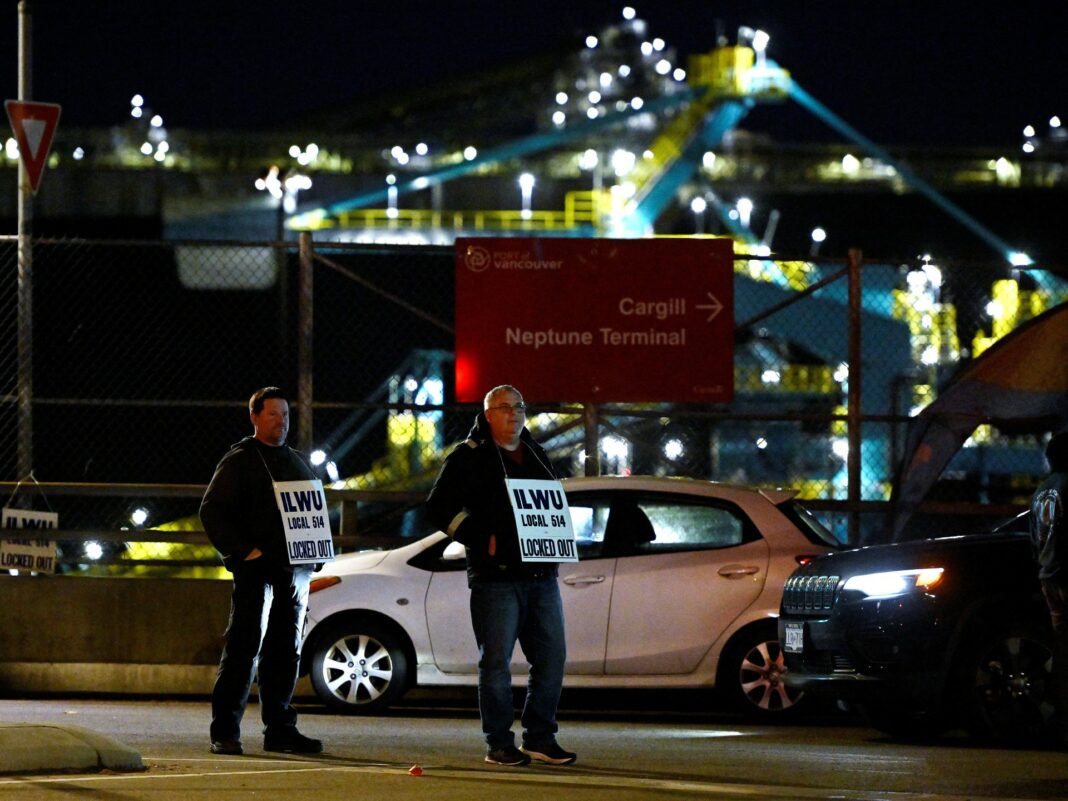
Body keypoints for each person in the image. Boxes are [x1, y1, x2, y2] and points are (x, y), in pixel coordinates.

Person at [426, 384, 576, 767]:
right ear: (488, 414)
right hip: (496, 579)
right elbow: (439, 508)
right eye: (505, 407)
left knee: (552, 658)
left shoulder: (538, 455)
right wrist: (481, 538)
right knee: (496, 663)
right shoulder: (469, 457)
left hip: (542, 576)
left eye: (520, 407)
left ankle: (540, 738)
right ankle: (498, 743)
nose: (514, 414)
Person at [200, 387, 323, 756]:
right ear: (254, 417)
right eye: (273, 414)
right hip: (257, 572)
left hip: (295, 573)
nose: (281, 421)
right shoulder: (239, 460)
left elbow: (314, 513)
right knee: (243, 649)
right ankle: (225, 731)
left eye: (285, 415)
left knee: (286, 653)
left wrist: (315, 552)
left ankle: (281, 729)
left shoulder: (298, 462)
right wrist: (244, 552)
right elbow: (212, 511)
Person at [1030, 430, 1068, 747]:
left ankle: (1057, 713)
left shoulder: (1042, 491)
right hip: (1067, 572)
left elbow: (1035, 537)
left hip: (1049, 576)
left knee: (1062, 644)